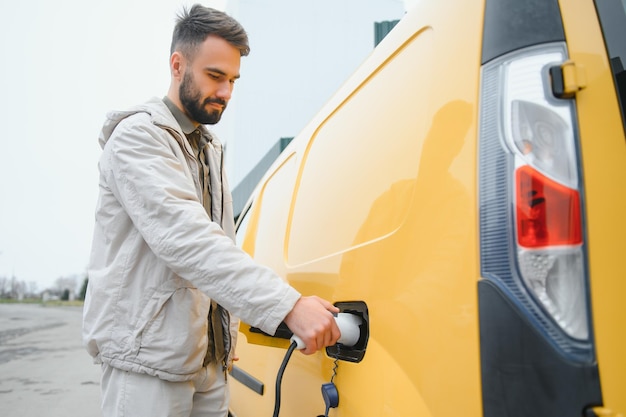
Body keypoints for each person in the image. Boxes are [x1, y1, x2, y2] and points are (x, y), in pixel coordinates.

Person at [82, 5, 340, 417]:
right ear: (177, 64)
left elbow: (222, 245)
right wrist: (288, 305)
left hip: (210, 366)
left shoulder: (210, 149)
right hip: (146, 365)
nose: (226, 93)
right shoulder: (136, 139)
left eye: (233, 80)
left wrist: (225, 339)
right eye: (215, 76)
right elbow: (189, 242)